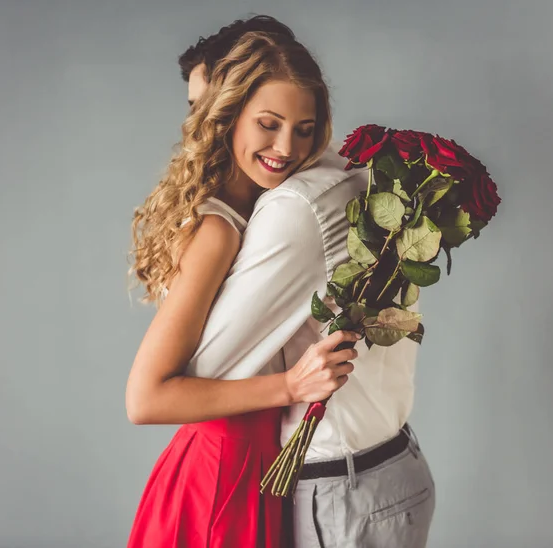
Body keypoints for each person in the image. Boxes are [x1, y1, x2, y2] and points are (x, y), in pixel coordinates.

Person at [177, 16, 436, 548]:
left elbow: (193, 377)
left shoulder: (288, 209)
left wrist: (290, 385)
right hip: (385, 468)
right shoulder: (349, 175)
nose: (200, 126)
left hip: (342, 492)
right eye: (195, 109)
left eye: (299, 126)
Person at [125, 31, 358, 548]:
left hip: (249, 463)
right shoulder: (219, 229)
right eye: (268, 126)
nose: (286, 149)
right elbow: (145, 399)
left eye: (304, 130)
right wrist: (291, 387)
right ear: (229, 117)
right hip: (222, 477)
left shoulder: (259, 206)